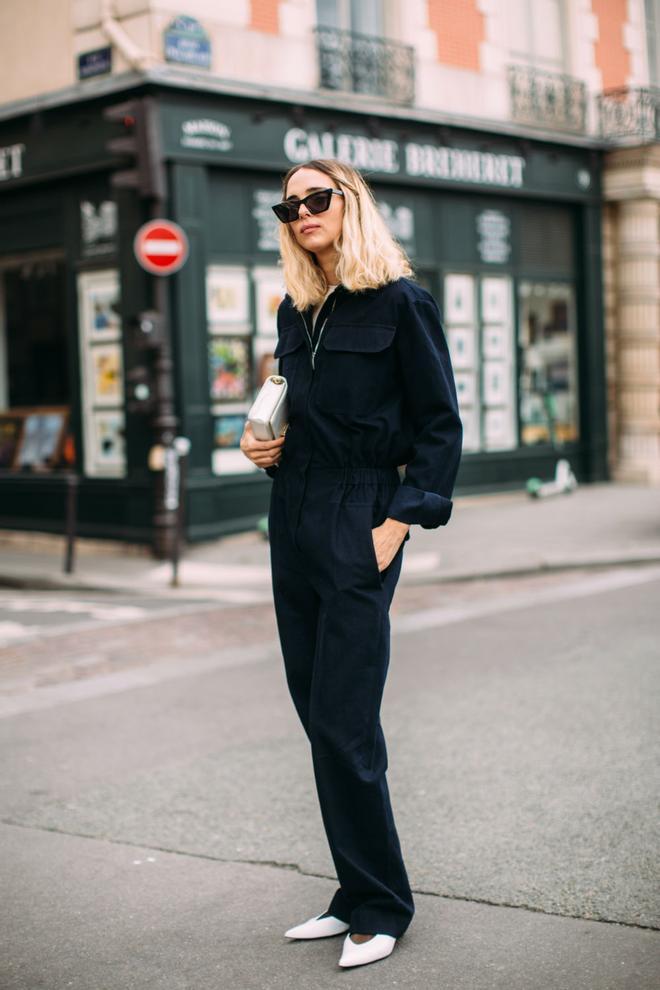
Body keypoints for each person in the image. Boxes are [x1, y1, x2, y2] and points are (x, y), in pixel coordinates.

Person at [240, 158, 463, 969]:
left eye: (316, 198)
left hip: (360, 515)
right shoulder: (295, 312)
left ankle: (383, 904)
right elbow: (292, 408)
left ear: (350, 205)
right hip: (293, 509)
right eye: (288, 204)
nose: (300, 211)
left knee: (344, 718)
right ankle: (352, 891)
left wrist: (398, 524)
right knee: (317, 714)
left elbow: (440, 425)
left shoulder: (403, 302)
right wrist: (263, 445)